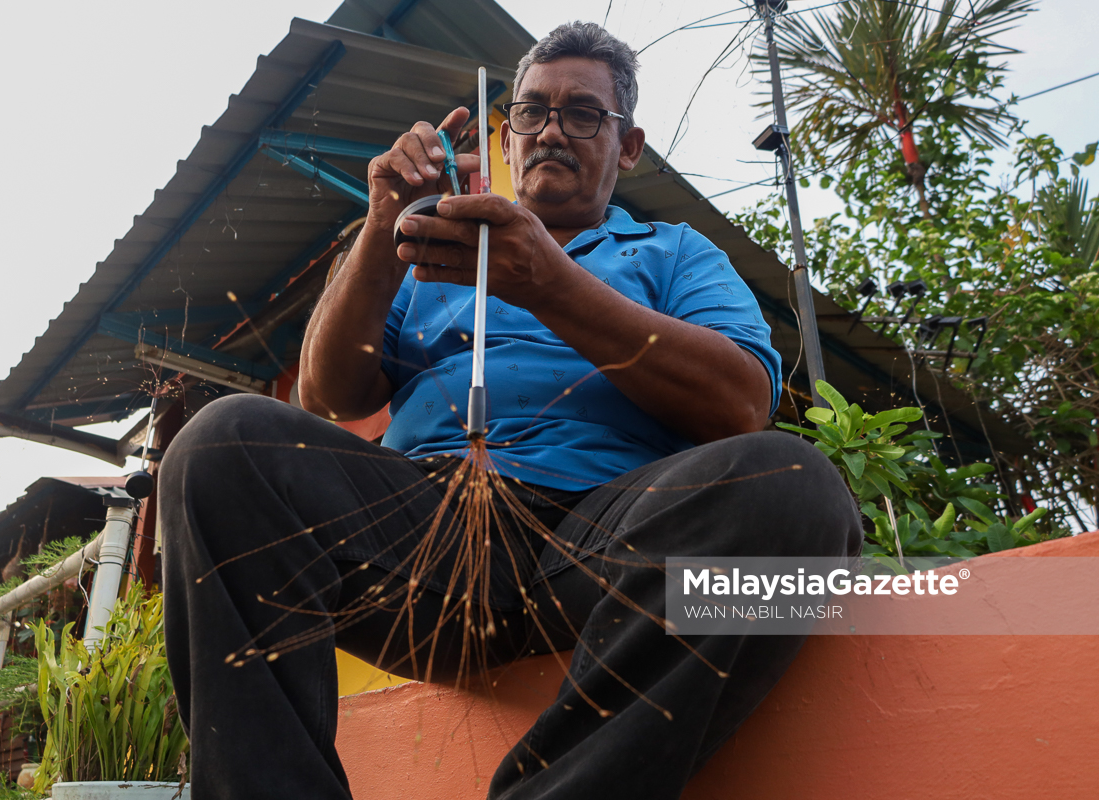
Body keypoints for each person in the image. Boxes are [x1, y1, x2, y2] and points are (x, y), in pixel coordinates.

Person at [160, 21, 861, 800]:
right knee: (222, 444)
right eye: (531, 112)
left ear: (627, 147)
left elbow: (739, 408)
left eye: (584, 114)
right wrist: (382, 220)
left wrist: (549, 283)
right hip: (426, 545)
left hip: (610, 547)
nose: (553, 130)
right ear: (506, 133)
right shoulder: (428, 251)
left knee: (796, 486)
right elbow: (330, 395)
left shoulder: (676, 253)